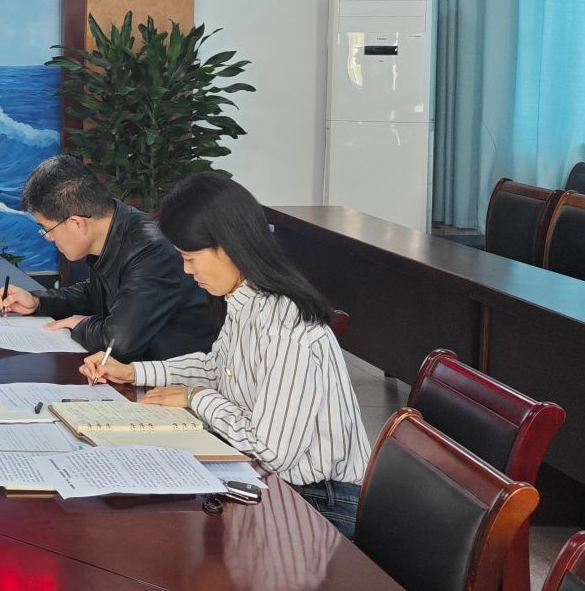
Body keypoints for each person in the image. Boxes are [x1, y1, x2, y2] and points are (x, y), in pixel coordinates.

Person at [83, 171, 371, 538]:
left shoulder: (286, 325)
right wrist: (134, 373)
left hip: (321, 502)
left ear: (229, 246)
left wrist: (195, 397)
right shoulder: (245, 299)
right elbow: (217, 367)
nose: (186, 270)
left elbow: (269, 451)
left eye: (190, 257)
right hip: (275, 483)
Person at [0, 155, 221, 361]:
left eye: (47, 229)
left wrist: (81, 324)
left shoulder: (151, 251)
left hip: (176, 380)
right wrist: (38, 301)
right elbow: (94, 294)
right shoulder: (115, 226)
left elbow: (117, 344)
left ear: (77, 223)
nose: (48, 237)